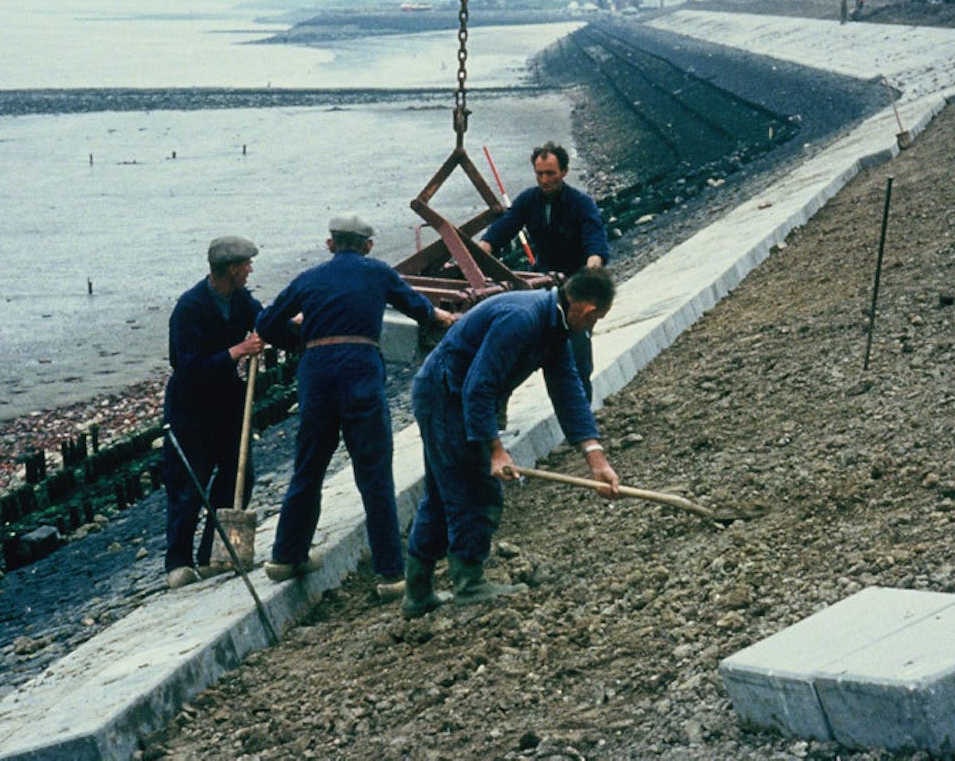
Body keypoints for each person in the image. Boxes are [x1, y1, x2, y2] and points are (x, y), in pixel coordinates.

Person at [256, 214, 456, 599]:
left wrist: (303, 340)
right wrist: (443, 316)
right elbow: (416, 307)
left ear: (330, 244)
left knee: (309, 466)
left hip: (315, 375)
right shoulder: (377, 273)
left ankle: (286, 555)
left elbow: (266, 323)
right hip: (360, 371)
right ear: (368, 245)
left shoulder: (309, 278)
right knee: (374, 473)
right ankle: (390, 574)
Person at [402, 267, 621, 618]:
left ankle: (418, 594)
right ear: (585, 307)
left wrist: (597, 459)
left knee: (445, 493)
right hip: (445, 394)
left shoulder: (555, 327)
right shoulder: (521, 319)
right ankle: (468, 584)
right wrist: (495, 450)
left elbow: (568, 392)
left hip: (459, 395)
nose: (593, 326)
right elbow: (479, 385)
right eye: (597, 317)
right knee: (474, 488)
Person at [161, 235, 265, 590]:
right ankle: (178, 562)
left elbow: (263, 318)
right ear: (232, 269)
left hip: (227, 402)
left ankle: (212, 554)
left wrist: (292, 322)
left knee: (239, 476)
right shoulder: (189, 308)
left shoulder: (239, 299)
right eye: (247, 265)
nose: (251, 270)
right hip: (192, 406)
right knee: (189, 483)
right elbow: (185, 366)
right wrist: (237, 351)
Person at [476, 141, 609, 402]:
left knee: (577, 354)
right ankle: (499, 402)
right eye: (539, 174)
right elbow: (503, 228)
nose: (545, 180)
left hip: (575, 285)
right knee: (521, 347)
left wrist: (592, 271)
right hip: (543, 286)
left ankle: (584, 412)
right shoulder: (529, 200)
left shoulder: (581, 204)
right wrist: (480, 251)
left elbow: (595, 240)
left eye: (550, 173)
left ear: (564, 171)